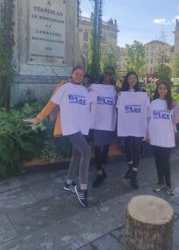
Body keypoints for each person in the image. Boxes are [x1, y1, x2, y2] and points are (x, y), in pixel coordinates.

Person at [24, 66, 91, 207]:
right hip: (70, 127)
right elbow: (51, 104)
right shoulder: (64, 87)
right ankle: (82, 188)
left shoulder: (85, 90)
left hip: (80, 128)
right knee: (86, 152)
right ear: (71, 74)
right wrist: (38, 118)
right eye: (76, 73)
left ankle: (68, 182)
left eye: (81, 74)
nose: (79, 76)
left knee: (78, 155)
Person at [147, 80, 179, 195]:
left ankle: (169, 185)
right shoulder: (153, 103)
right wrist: (147, 134)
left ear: (168, 90)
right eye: (160, 88)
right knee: (157, 161)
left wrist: (176, 106)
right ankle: (160, 182)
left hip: (167, 137)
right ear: (157, 89)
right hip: (155, 137)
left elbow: (177, 120)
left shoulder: (171, 103)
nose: (162, 90)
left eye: (164, 88)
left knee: (165, 162)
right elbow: (149, 119)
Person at [118, 71, 148, 189]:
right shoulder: (122, 94)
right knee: (128, 148)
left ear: (137, 80)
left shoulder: (142, 93)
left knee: (136, 148)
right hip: (127, 126)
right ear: (127, 80)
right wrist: (119, 97)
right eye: (130, 78)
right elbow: (118, 108)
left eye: (134, 78)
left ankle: (134, 176)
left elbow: (147, 106)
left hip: (138, 126)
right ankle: (130, 168)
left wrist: (148, 98)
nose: (132, 80)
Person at [90, 66, 117, 187]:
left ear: (113, 76)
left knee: (105, 148)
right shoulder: (95, 87)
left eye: (110, 74)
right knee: (97, 148)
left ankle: (102, 169)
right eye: (106, 73)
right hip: (97, 121)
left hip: (108, 122)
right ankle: (99, 173)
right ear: (103, 73)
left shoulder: (115, 89)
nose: (108, 75)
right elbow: (83, 91)